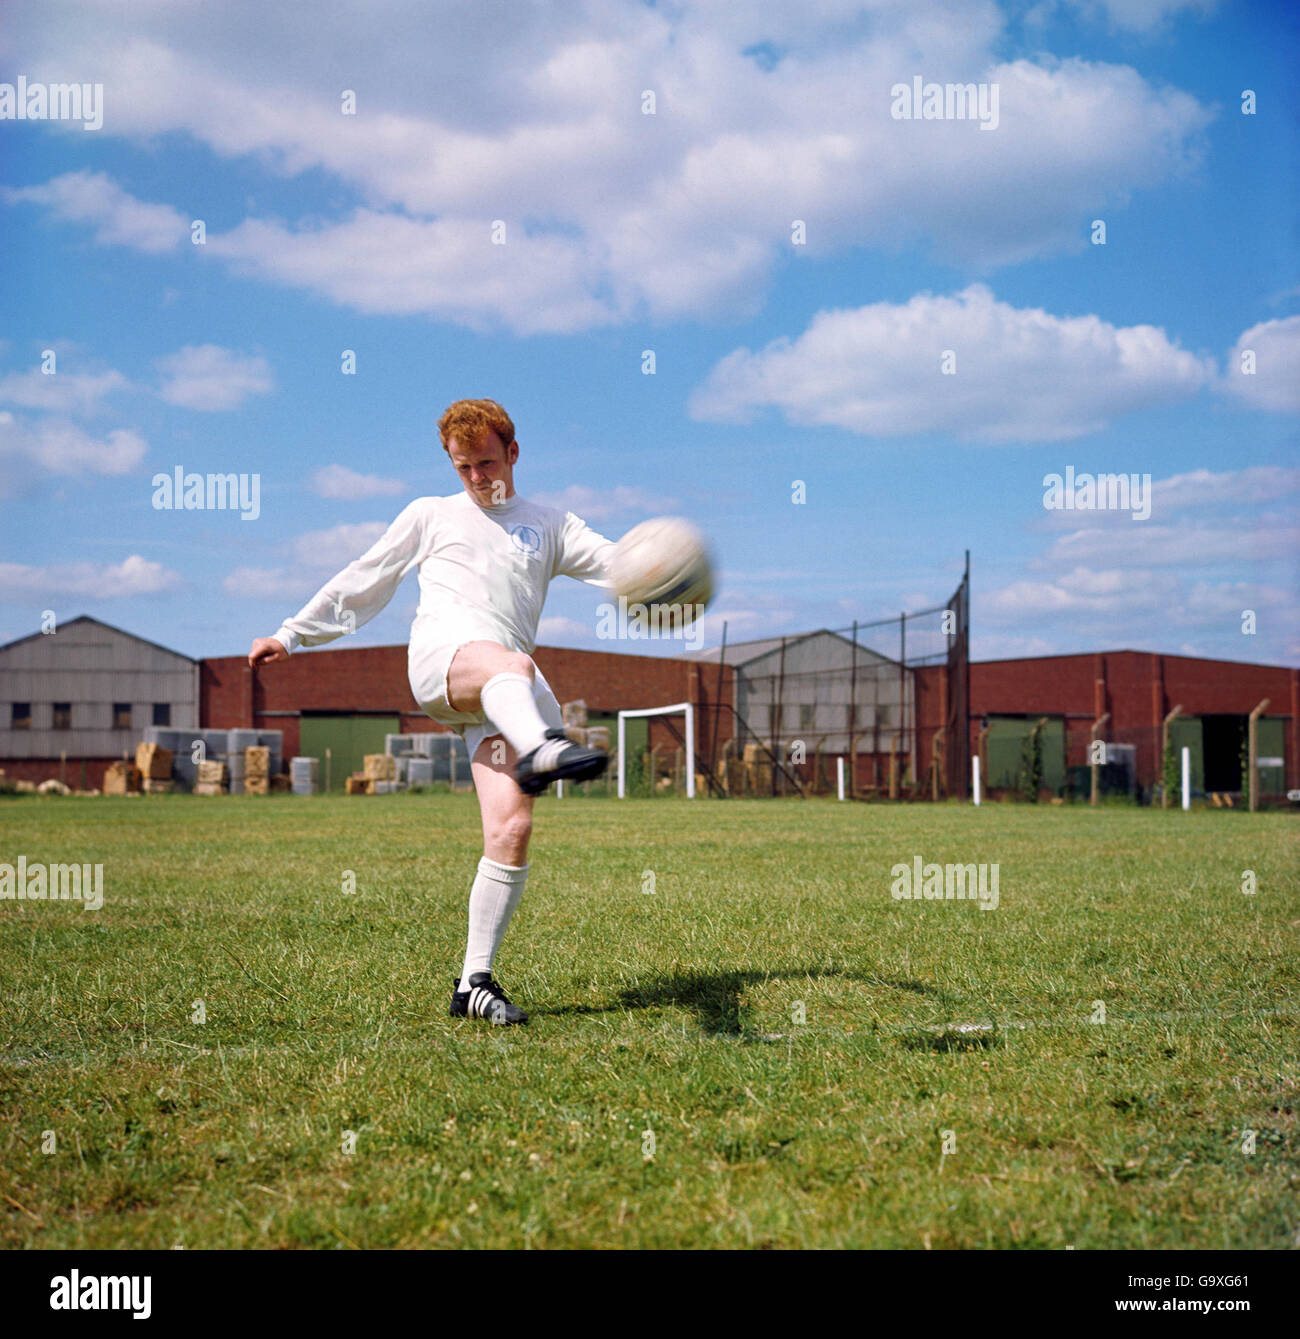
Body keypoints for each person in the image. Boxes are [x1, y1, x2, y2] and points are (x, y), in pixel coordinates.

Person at [248, 399, 615, 1025]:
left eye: (487, 463)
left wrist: (664, 571)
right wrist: (293, 633)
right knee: (516, 667)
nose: (476, 477)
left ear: (514, 453)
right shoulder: (431, 514)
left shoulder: (550, 525)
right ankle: (543, 749)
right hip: (445, 664)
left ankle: (474, 982)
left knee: (511, 831)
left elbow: (620, 564)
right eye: (463, 466)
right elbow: (367, 576)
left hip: (499, 700)